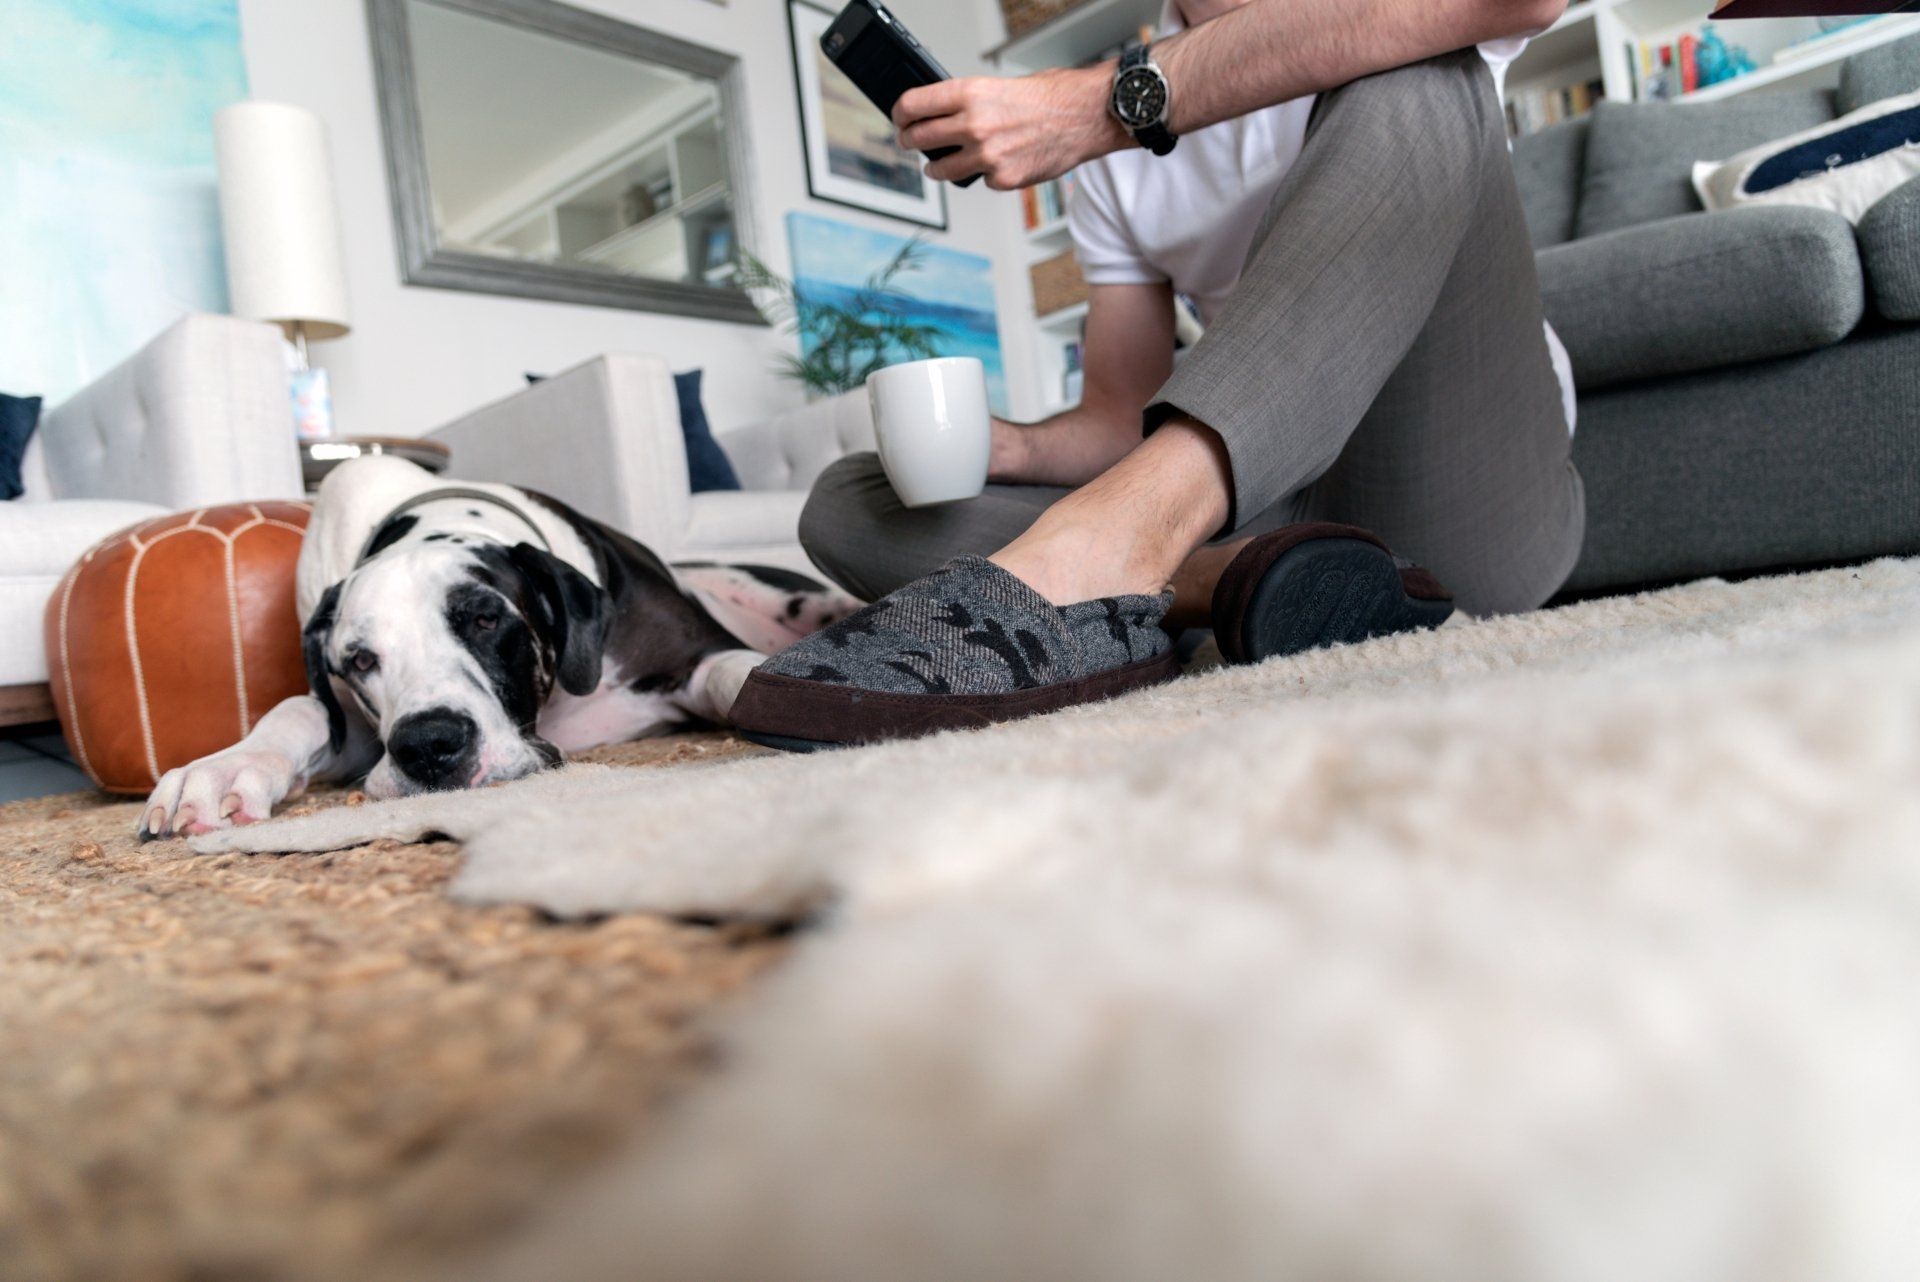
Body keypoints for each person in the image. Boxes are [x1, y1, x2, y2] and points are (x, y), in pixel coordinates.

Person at [726, 0, 1586, 751]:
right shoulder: (1113, 163)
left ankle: (1131, 549)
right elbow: (1115, 417)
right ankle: (1230, 579)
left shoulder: (1101, 106)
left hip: (1462, 485)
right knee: (853, 499)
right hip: (1272, 497)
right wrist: (1007, 447)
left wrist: (1101, 102)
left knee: (1416, 64)